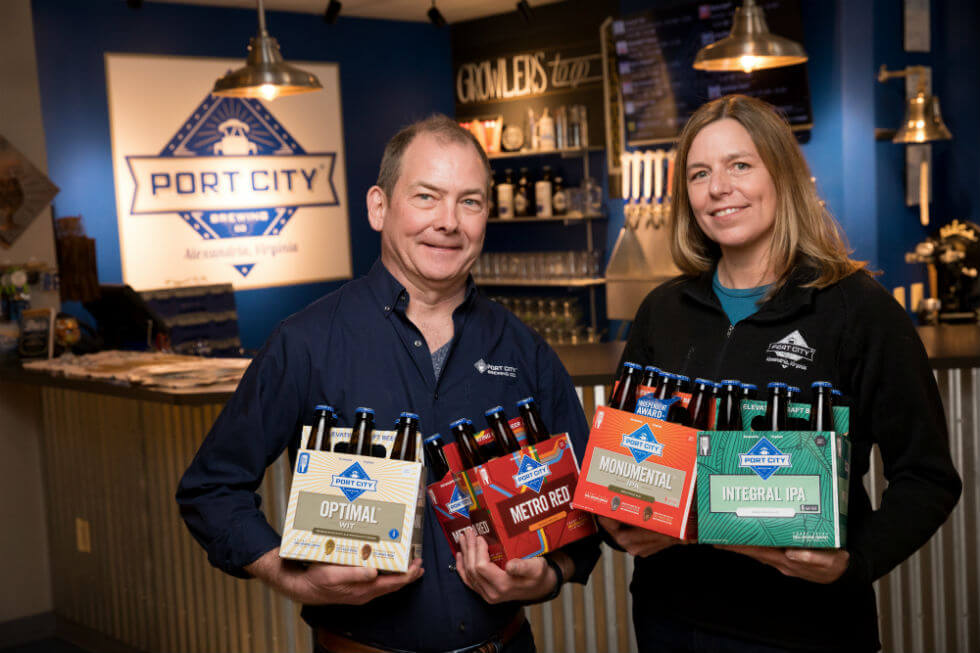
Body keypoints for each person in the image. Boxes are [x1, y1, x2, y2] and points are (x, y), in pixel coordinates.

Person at [176, 115, 598, 653]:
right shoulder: (305, 343)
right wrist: (293, 577)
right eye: (427, 196)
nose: (449, 221)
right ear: (379, 207)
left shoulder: (524, 350)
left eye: (470, 202)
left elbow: (586, 502)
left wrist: (552, 574)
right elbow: (211, 489)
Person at [601, 95, 961, 652]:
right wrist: (617, 520)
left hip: (806, 630)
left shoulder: (857, 310)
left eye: (740, 164)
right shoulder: (663, 311)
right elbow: (626, 461)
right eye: (700, 173)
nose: (718, 187)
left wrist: (853, 562)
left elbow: (928, 477)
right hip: (669, 623)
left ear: (784, 175)